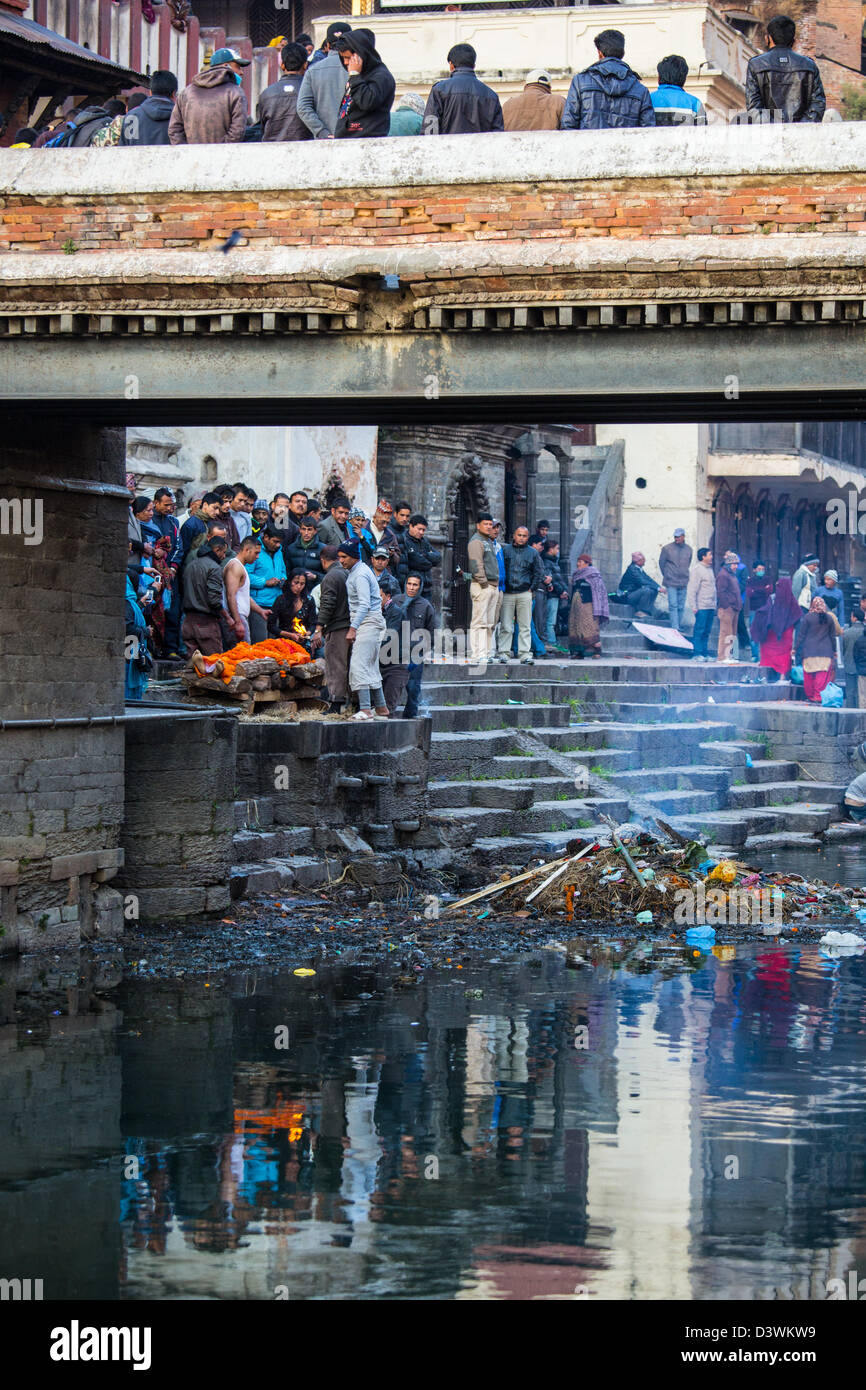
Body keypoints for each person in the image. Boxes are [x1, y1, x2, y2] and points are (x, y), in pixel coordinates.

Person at [562, 29, 654, 131]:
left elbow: (568, 125)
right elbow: (648, 131)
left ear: (600, 53)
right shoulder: (640, 90)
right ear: (622, 53)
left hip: (589, 146)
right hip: (624, 146)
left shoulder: (580, 81)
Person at [338, 539, 388, 719]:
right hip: (370, 622)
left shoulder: (359, 574)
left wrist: (353, 628)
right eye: (339, 557)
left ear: (353, 556)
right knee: (370, 666)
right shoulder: (359, 571)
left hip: (368, 622)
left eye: (344, 557)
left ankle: (366, 709)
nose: (341, 560)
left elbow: (364, 604)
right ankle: (381, 708)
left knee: (358, 666)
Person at [745, 13, 825, 124]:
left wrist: (773, 128)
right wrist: (801, 127)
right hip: (801, 135)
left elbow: (754, 107)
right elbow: (818, 104)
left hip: (769, 135)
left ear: (768, 38)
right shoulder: (809, 66)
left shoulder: (756, 64)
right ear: (794, 41)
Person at [169, 47, 249, 145]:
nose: (241, 72)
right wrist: (220, 152)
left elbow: (174, 130)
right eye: (238, 67)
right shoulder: (236, 93)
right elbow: (238, 132)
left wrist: (187, 153)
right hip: (223, 158)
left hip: (191, 158)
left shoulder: (186, 93)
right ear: (226, 66)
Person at [423, 44, 503, 135]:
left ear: (451, 65)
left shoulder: (439, 90)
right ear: (474, 65)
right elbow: (498, 135)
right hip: (479, 148)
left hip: (448, 148)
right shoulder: (491, 96)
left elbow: (429, 132)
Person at [496, 525, 544, 664]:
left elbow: (539, 572)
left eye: (524, 536)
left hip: (524, 592)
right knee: (506, 625)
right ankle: (504, 653)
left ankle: (524, 654)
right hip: (508, 593)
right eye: (519, 535)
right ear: (514, 536)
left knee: (525, 625)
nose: (521, 538)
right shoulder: (505, 550)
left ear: (527, 537)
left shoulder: (533, 553)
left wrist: (532, 588)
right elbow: (500, 568)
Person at [334, 31, 395, 140]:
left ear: (361, 54)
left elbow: (367, 101)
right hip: (347, 140)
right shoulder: (359, 74)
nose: (346, 62)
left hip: (366, 141)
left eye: (348, 58)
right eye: (343, 58)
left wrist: (354, 76)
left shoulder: (381, 76)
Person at [297, 21, 353, 138]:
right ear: (352, 43)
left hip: (325, 143)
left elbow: (303, 107)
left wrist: (322, 132)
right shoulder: (361, 69)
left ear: (327, 45)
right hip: (355, 139)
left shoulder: (313, 71)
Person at [314, 546, 351, 712]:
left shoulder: (331, 577)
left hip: (337, 627)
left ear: (323, 560)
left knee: (335, 665)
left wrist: (319, 627)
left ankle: (335, 703)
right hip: (351, 625)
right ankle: (352, 702)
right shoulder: (348, 573)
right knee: (348, 665)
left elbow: (327, 604)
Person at [181, 533, 229, 658]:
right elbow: (214, 600)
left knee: (193, 667)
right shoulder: (214, 567)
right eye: (223, 553)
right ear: (217, 550)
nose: (224, 557)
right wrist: (227, 617)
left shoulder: (190, 565)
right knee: (214, 664)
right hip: (206, 623)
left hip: (188, 622)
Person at [750, 575, 800, 682]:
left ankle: (770, 675)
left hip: (773, 632)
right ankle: (782, 676)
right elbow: (797, 616)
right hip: (785, 633)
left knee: (771, 650)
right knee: (784, 654)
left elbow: (766, 611)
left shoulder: (773, 598)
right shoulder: (792, 601)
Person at [258, 42, 312, 142]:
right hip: (305, 152)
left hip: (273, 152)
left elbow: (262, 128)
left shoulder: (266, 94)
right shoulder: (312, 91)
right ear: (305, 65)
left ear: (282, 65)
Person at [467, 513, 502, 663]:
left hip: (492, 586)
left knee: (489, 623)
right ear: (478, 525)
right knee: (479, 622)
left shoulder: (487, 541)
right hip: (482, 586)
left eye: (490, 524)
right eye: (486, 524)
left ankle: (487, 653)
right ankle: (478, 654)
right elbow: (476, 565)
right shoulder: (476, 541)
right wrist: (484, 584)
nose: (489, 527)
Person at [400, 574, 436, 717]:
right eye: (409, 584)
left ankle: (410, 714)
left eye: (415, 585)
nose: (411, 587)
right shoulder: (396, 601)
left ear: (420, 587)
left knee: (413, 686)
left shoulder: (426, 606)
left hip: (415, 652)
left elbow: (432, 631)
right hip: (393, 650)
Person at [794, 595, 842, 702]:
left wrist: (795, 648)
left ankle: (811, 696)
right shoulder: (829, 618)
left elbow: (801, 635)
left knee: (809, 676)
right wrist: (834, 651)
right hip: (826, 653)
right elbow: (832, 637)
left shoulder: (807, 617)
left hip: (809, 652)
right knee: (822, 676)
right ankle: (818, 696)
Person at [245, 526, 287, 642]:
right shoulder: (255, 550)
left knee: (274, 643)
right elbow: (246, 576)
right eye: (275, 541)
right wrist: (265, 582)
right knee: (260, 641)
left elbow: (283, 569)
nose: (278, 545)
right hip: (259, 604)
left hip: (276, 603)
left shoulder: (279, 551)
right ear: (266, 537)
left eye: (280, 542)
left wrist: (283, 578)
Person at [224, 534, 266, 646]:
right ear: (247, 550)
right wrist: (238, 622)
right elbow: (230, 595)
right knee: (242, 657)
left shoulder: (240, 567)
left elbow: (244, 596)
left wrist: (260, 611)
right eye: (256, 553)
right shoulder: (235, 566)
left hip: (239, 616)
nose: (257, 557)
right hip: (237, 616)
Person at [117, 72, 178, 145]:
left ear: (150, 92)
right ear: (174, 93)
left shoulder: (131, 117)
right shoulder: (180, 118)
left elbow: (123, 150)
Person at [568, 553, 609, 659]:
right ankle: (579, 653)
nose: (578, 564)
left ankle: (596, 651)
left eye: (580, 562)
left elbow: (599, 590)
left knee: (589, 626)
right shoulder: (576, 574)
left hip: (588, 604)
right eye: (578, 561)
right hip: (577, 605)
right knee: (576, 626)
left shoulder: (593, 573)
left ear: (587, 563)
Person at [651, 55, 706, 126]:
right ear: (684, 79)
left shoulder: (648, 100)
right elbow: (703, 134)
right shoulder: (695, 103)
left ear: (659, 77)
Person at [379, 584, 409, 715]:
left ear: (388, 596)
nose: (375, 599)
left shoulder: (396, 612)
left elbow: (388, 637)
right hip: (380, 662)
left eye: (379, 596)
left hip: (396, 664)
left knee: (388, 708)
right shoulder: (374, 611)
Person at [268, 569, 317, 648]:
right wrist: (290, 635)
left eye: (302, 584)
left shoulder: (309, 600)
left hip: (303, 643)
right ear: (290, 582)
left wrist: (306, 634)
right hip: (283, 643)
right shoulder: (281, 600)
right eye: (296, 582)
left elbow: (313, 623)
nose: (299, 586)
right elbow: (271, 626)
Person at [658, 528, 693, 632]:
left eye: (678, 536)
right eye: (675, 537)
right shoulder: (667, 548)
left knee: (681, 606)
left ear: (683, 537)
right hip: (671, 581)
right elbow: (661, 563)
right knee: (673, 605)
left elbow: (688, 563)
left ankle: (678, 625)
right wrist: (667, 575)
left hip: (683, 581)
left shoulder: (689, 549)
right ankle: (675, 627)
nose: (676, 538)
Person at [685, 546, 716, 660]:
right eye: (710, 555)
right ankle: (697, 653)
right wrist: (693, 606)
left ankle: (704, 653)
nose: (711, 557)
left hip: (710, 606)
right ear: (703, 557)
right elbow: (692, 589)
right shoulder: (697, 569)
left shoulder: (709, 569)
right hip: (701, 606)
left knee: (707, 631)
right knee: (699, 630)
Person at [399, 514, 441, 595]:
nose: (421, 532)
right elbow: (416, 561)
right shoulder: (404, 540)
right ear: (411, 526)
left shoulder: (424, 541)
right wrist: (430, 562)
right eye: (419, 529)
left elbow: (438, 557)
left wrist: (425, 555)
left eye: (424, 530)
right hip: (412, 586)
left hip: (426, 586)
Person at [124, 574, 150, 701]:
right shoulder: (127, 604)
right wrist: (145, 632)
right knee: (128, 687)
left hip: (130, 651)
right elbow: (127, 628)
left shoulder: (131, 604)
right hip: (129, 653)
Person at [716, 551, 744, 663]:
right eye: (733, 564)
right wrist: (727, 606)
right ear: (728, 564)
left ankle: (729, 656)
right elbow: (721, 592)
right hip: (727, 609)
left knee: (732, 633)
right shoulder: (723, 575)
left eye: (737, 564)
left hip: (734, 608)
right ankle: (722, 657)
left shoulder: (732, 575)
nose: (736, 566)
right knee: (725, 633)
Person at [540, 540, 568, 649]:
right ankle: (551, 642)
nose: (558, 551)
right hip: (551, 595)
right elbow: (552, 580)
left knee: (552, 620)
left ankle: (552, 641)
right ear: (551, 549)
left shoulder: (552, 561)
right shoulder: (547, 562)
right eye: (557, 548)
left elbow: (558, 578)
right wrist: (561, 591)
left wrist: (563, 590)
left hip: (555, 595)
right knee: (550, 621)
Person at [619, 551, 664, 619]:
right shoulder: (632, 569)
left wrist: (658, 587)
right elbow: (642, 581)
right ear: (638, 561)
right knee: (647, 590)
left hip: (633, 594)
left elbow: (649, 579)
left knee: (654, 590)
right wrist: (657, 588)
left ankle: (647, 611)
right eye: (643, 560)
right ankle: (641, 612)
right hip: (626, 595)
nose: (644, 561)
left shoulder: (639, 569)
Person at [284, 515, 325, 580]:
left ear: (315, 531)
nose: (306, 533)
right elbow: (286, 571)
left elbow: (329, 575)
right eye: (304, 529)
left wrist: (315, 576)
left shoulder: (323, 549)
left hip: (315, 587)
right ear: (300, 530)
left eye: (309, 530)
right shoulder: (291, 549)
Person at [841, 608, 863, 707]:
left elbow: (843, 650)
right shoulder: (864, 632)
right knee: (862, 693)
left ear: (854, 618)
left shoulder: (846, 633)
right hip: (863, 667)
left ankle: (850, 714)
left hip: (849, 665)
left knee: (850, 692)